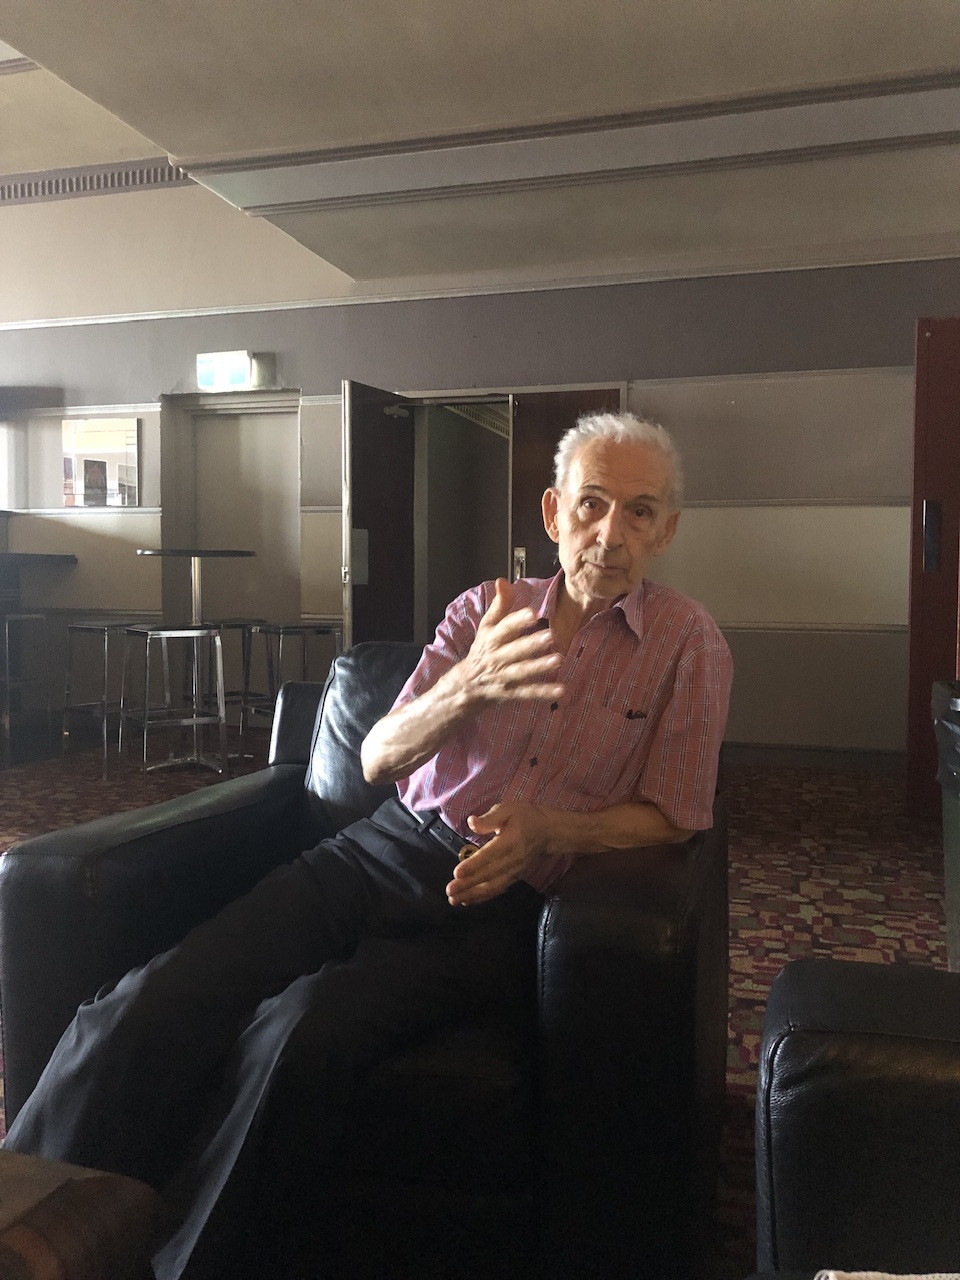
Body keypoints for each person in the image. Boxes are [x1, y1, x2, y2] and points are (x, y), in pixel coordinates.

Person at [3, 410, 732, 1279]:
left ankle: (175, 1265)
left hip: (499, 904)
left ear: (668, 529)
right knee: (151, 997)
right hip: (376, 852)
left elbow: (677, 814)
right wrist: (464, 686)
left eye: (640, 512)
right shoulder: (481, 613)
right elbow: (380, 755)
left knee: (299, 1034)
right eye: (593, 504)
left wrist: (553, 828)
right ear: (552, 512)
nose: (610, 535)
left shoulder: (689, 644)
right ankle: (26, 1220)